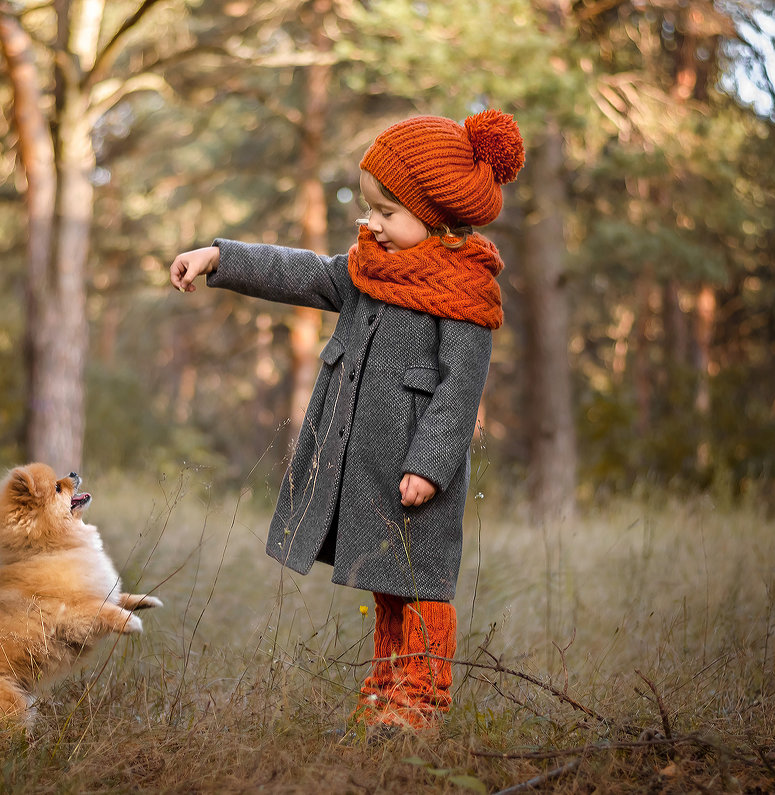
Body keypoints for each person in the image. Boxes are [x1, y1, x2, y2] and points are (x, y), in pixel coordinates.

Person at [169, 110, 524, 734]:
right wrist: (218, 257)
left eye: (387, 212)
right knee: (390, 579)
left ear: (435, 215)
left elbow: (460, 390)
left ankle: (420, 701)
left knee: (422, 582)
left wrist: (431, 465)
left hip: (416, 469)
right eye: (369, 209)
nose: (371, 224)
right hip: (368, 465)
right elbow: (299, 271)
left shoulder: (467, 294)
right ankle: (386, 690)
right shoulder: (366, 270)